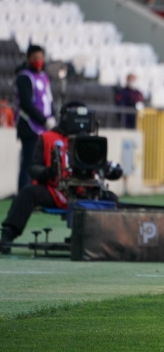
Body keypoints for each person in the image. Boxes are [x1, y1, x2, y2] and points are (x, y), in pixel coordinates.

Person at [0, 101, 121, 254]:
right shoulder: (47, 138)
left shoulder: (91, 141)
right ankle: (7, 236)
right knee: (28, 193)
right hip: (56, 190)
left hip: (87, 192)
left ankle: (112, 242)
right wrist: (48, 172)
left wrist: (110, 170)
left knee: (112, 199)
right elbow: (34, 167)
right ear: (64, 117)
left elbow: (103, 166)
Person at [14, 44, 55, 192]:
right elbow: (26, 103)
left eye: (41, 57)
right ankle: (23, 195)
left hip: (44, 129)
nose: (38, 61)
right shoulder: (24, 77)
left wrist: (53, 118)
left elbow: (49, 100)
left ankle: (37, 194)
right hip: (30, 127)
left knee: (42, 164)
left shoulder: (44, 77)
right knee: (28, 164)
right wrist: (44, 120)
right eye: (35, 58)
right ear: (28, 58)